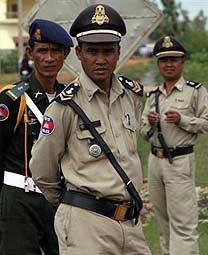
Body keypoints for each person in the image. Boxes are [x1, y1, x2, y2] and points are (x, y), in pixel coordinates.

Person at [29, 4, 151, 255]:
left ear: (119, 52)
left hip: (130, 223)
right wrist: (71, 207)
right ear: (78, 53)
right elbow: (42, 170)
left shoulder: (132, 96)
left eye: (108, 51)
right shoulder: (65, 106)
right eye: (92, 51)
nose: (100, 59)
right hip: (86, 225)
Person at [0, 19, 73, 255]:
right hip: (19, 200)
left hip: (58, 200)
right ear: (31, 53)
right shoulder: (12, 99)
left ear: (66, 54)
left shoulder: (70, 100)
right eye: (42, 51)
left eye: (55, 51)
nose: (49, 58)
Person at [140, 36, 208, 255]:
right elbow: (143, 131)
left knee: (183, 224)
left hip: (180, 161)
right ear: (158, 64)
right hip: (155, 161)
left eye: (174, 59)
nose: (169, 64)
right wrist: (151, 124)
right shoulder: (153, 95)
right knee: (162, 223)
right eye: (164, 60)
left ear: (182, 62)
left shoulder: (195, 91)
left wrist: (183, 120)